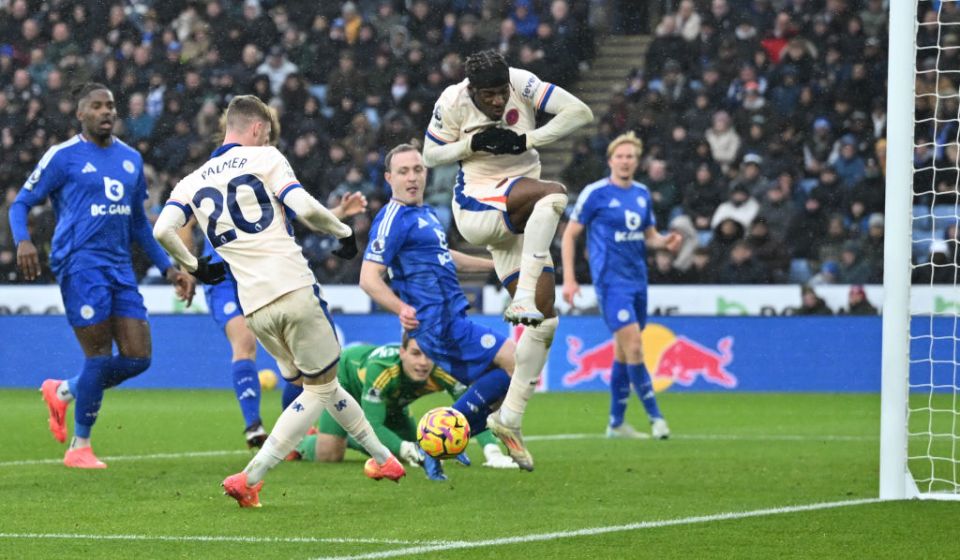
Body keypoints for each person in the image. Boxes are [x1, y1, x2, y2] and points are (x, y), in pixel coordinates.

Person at [153, 95, 404, 508]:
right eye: (266, 132)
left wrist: (195, 266)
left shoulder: (191, 181)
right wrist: (344, 233)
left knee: (319, 386)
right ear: (256, 129)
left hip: (255, 310)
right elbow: (302, 206)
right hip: (293, 289)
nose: (267, 137)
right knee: (321, 389)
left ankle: (384, 460)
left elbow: (163, 230)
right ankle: (251, 476)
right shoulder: (265, 156)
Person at [8, 83, 195, 469]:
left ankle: (62, 391)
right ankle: (80, 446)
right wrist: (23, 240)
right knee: (98, 356)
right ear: (81, 114)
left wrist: (169, 268)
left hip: (119, 266)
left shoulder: (130, 160)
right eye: (97, 106)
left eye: (110, 105)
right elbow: (21, 202)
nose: (106, 111)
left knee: (139, 358)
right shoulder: (63, 157)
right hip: (79, 262)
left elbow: (139, 225)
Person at [421, 49, 593, 469]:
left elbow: (580, 112)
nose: (499, 101)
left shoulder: (523, 82)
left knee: (547, 319)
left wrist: (527, 139)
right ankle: (522, 300)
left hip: (519, 212)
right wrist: (471, 142)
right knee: (553, 192)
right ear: (472, 90)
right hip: (479, 205)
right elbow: (430, 155)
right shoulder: (452, 101)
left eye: (502, 93)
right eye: (490, 95)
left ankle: (509, 417)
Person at [360, 144, 529, 473]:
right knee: (517, 362)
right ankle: (441, 439)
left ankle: (454, 438)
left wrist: (491, 265)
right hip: (436, 325)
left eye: (418, 170)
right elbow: (368, 278)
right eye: (404, 171)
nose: (412, 177)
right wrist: (400, 308)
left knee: (501, 383)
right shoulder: (392, 219)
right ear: (388, 178)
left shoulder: (426, 215)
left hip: (452, 319)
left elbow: (445, 256)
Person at [180, 190, 368, 448]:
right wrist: (187, 267)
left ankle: (288, 433)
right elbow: (183, 222)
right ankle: (253, 425)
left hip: (268, 273)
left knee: (299, 363)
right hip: (223, 274)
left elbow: (304, 214)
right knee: (244, 344)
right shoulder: (211, 179)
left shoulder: (269, 177)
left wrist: (338, 214)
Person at [561, 132, 680, 440]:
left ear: (636, 162)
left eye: (631, 157)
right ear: (610, 160)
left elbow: (649, 236)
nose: (625, 161)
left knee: (624, 352)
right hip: (610, 283)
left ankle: (616, 423)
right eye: (620, 156)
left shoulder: (641, 194)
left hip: (638, 280)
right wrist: (571, 279)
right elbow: (570, 235)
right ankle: (657, 418)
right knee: (636, 346)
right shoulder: (595, 193)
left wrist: (666, 242)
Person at [290, 336, 517, 477]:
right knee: (329, 454)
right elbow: (371, 423)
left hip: (393, 403)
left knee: (418, 447)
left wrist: (492, 451)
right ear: (402, 352)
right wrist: (406, 449)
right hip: (347, 383)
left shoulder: (441, 370)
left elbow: (472, 408)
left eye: (428, 355)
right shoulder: (382, 368)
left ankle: (348, 437)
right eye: (416, 354)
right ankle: (304, 442)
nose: (423, 362)